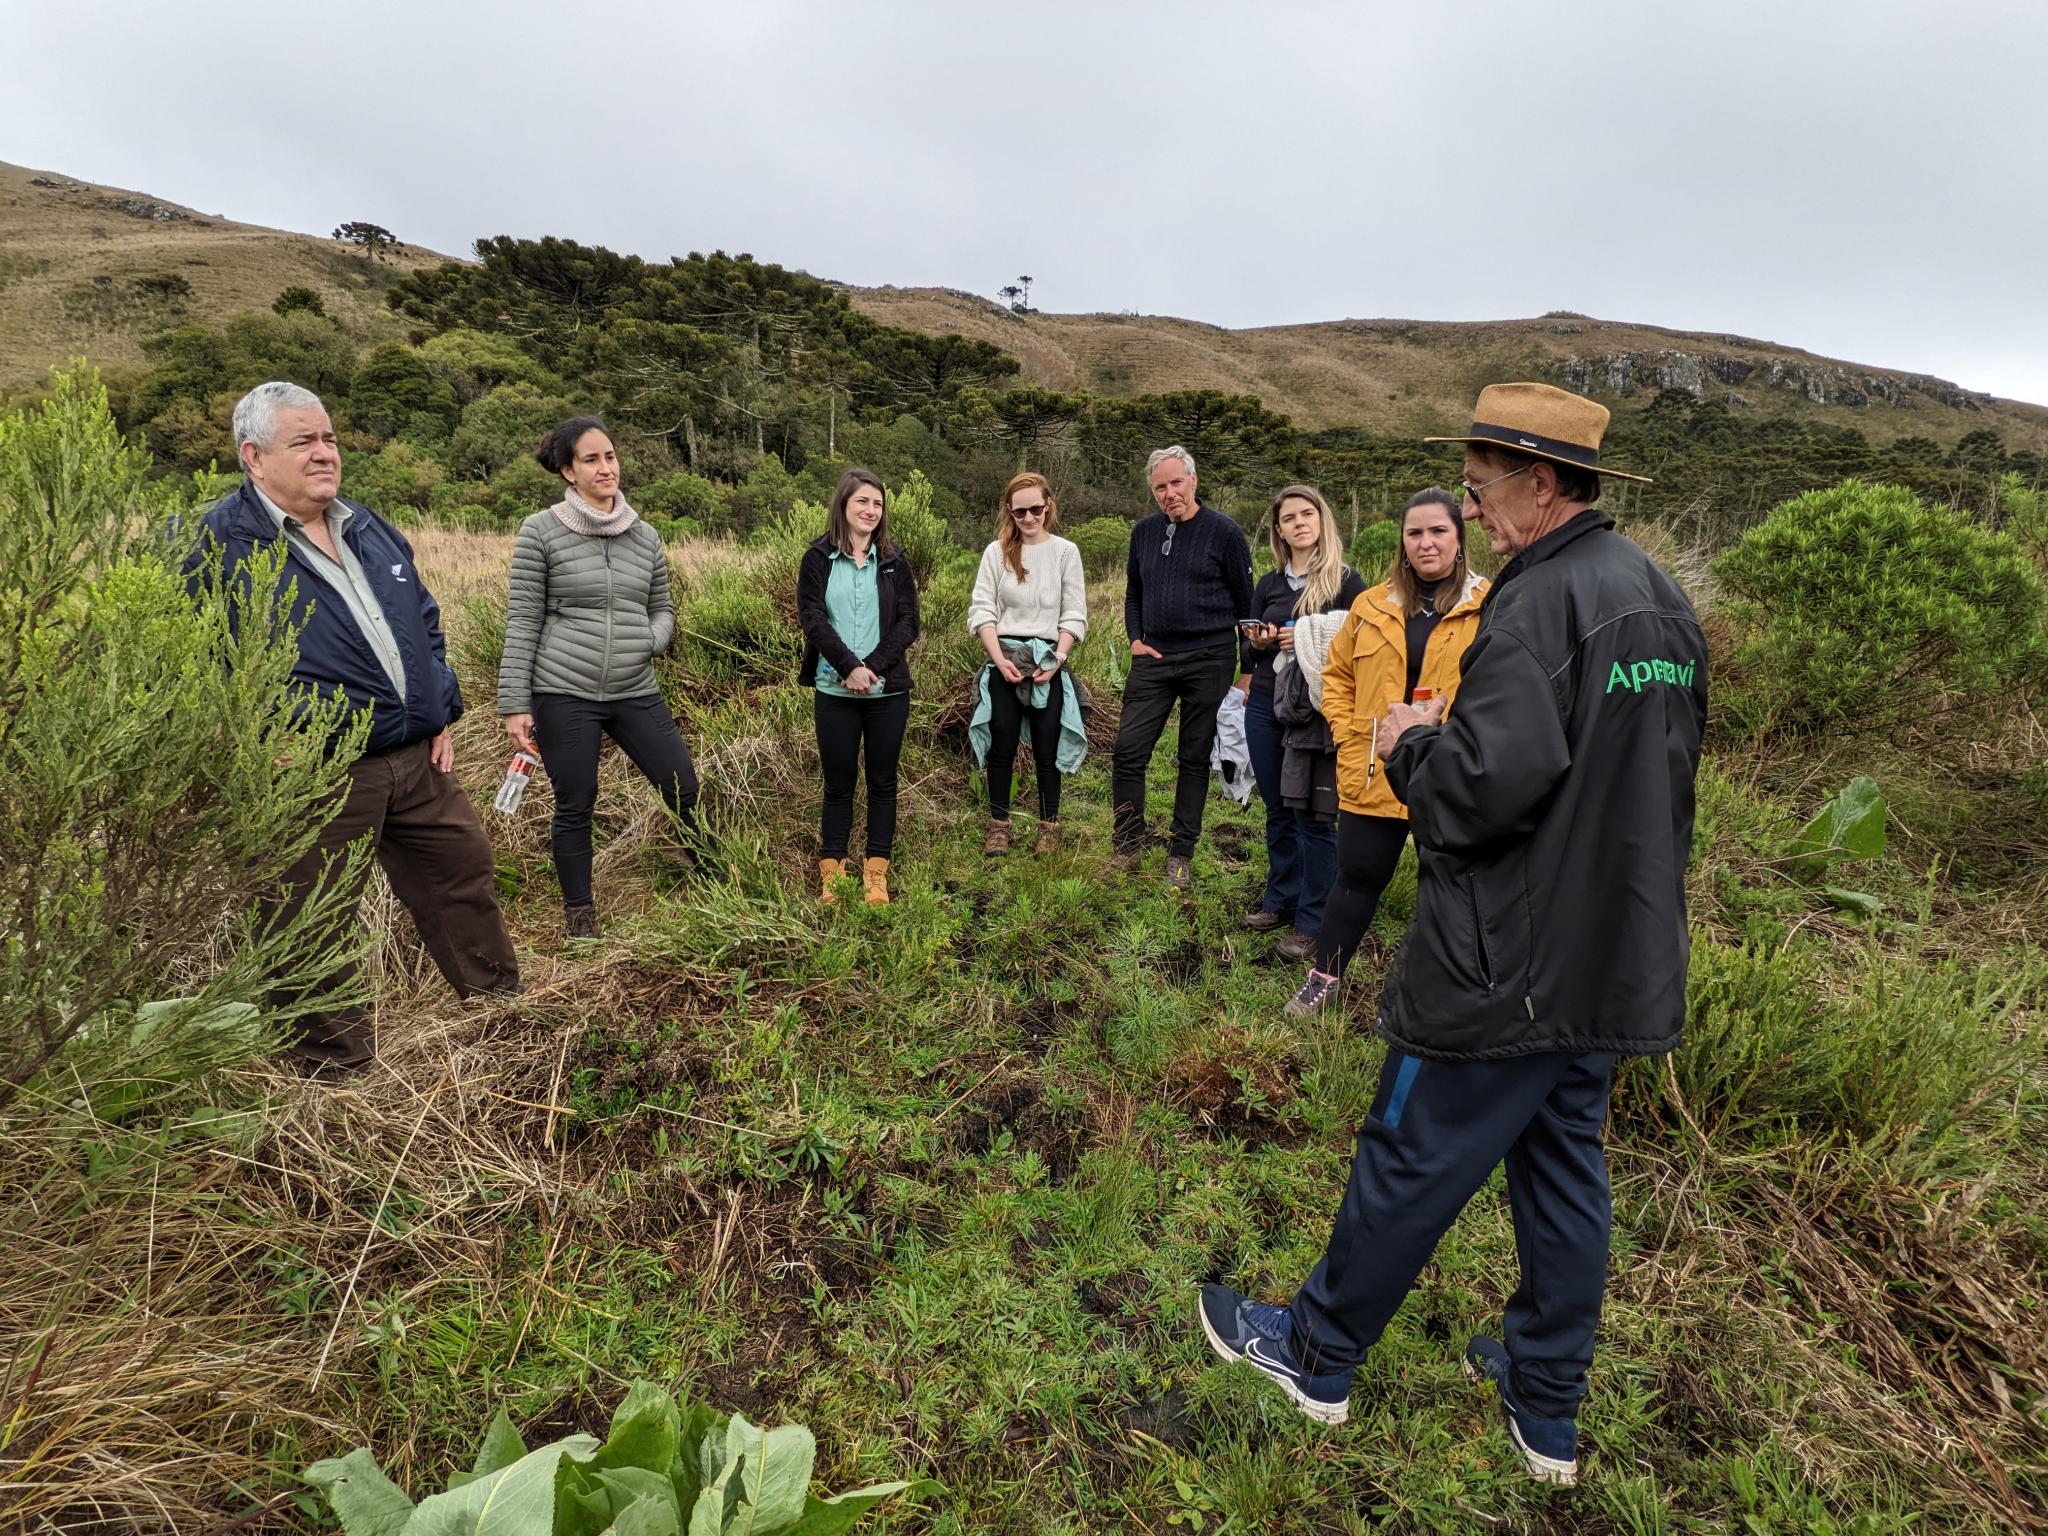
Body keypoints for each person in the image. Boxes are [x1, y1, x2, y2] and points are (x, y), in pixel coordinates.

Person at [1196, 382, 1707, 1488]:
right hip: (1612, 952)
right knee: (1564, 1169)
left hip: (1503, 960)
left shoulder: (1536, 602)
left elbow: (1479, 794)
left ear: (1540, 480)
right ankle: (1545, 1402)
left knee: (1407, 1147)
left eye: (1478, 486)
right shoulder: (1656, 599)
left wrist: (1410, 741)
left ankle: (1315, 1353)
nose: (1469, 509)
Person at [191, 381, 519, 1074]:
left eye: (330, 438)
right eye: (303, 441)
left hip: (415, 760)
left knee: (462, 874)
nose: (324, 453)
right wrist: (245, 742)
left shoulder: (366, 526)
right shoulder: (216, 544)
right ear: (253, 457)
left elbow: (423, 622)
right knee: (308, 923)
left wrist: (440, 706)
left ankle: (505, 1021)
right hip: (309, 772)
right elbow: (186, 661)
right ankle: (334, 1079)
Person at [1281, 488, 1487, 1014]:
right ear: (1402, 541)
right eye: (1414, 532)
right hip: (1374, 768)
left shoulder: (1488, 605)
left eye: (1438, 531)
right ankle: (1322, 981)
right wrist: (1350, 735)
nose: (1425, 543)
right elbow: (1336, 674)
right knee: (1356, 879)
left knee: (1454, 889)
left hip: (1451, 772)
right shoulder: (1371, 604)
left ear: (1460, 538)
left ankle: (1446, 998)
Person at [497, 416, 700, 941]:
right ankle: (580, 915)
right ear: (568, 471)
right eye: (591, 459)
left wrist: (649, 641)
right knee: (576, 801)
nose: (606, 467)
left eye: (609, 456)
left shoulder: (646, 535)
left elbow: (663, 610)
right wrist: (515, 702)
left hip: (635, 687)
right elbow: (523, 619)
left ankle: (710, 874)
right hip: (563, 689)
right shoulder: (539, 531)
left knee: (682, 784)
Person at [1111, 446, 1255, 889]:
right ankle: (1128, 843)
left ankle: (1181, 852)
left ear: (1193, 481)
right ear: (1152, 491)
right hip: (1153, 657)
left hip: (1209, 657)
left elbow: (1247, 606)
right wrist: (1135, 639)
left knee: (1192, 757)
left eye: (1176, 483)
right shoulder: (1144, 533)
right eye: (1160, 487)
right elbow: (1134, 593)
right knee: (1128, 752)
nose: (1170, 493)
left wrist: (1246, 671)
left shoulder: (1224, 532)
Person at [1239, 485, 1367, 962]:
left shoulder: (1346, 582)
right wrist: (1260, 641)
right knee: (1277, 807)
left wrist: (1310, 636)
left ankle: (1315, 920)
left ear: (1321, 520)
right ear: (1279, 530)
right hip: (1267, 705)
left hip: (1316, 713)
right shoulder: (1269, 584)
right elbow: (1247, 653)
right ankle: (1281, 899)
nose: (1298, 523)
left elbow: (1362, 644)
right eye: (1288, 517)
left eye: (1306, 514)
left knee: (1314, 816)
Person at [796, 468, 921, 905]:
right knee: (838, 782)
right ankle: (832, 873)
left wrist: (871, 667)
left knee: (883, 782)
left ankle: (876, 873)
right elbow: (811, 617)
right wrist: (848, 667)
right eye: (862, 502)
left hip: (888, 692)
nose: (870, 510)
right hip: (834, 691)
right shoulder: (817, 558)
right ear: (843, 506)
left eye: (877, 503)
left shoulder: (894, 559)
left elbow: (909, 622)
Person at [966, 472, 1089, 856]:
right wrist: (998, 660)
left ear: (1048, 506)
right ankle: (999, 826)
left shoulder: (1066, 552)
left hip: (1048, 661)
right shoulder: (995, 552)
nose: (1030, 517)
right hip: (1005, 657)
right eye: (1021, 511)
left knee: (1045, 747)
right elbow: (983, 610)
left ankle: (1049, 827)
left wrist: (1059, 660)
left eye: (1036, 508)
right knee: (1001, 746)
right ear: (1009, 511)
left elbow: (1074, 613)